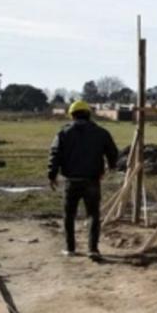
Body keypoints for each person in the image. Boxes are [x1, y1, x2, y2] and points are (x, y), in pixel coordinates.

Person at [47, 100, 118, 259]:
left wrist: (52, 175)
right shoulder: (101, 133)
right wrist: (110, 166)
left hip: (71, 181)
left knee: (69, 215)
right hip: (92, 180)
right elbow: (112, 152)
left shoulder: (63, 133)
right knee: (93, 215)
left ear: (72, 115)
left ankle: (70, 248)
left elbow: (55, 154)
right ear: (88, 115)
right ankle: (93, 249)